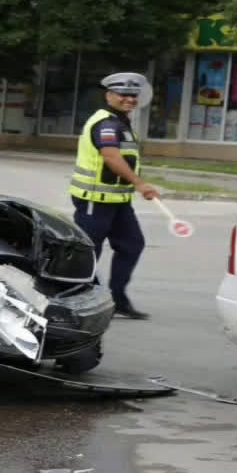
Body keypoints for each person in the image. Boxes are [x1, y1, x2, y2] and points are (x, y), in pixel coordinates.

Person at [69, 72, 160, 320]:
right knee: (88, 252)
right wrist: (140, 183)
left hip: (118, 201)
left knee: (132, 245)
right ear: (109, 95)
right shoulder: (106, 123)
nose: (129, 99)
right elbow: (111, 156)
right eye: (123, 94)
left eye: (133, 95)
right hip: (94, 200)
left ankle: (117, 298)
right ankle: (79, 299)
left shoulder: (122, 122)